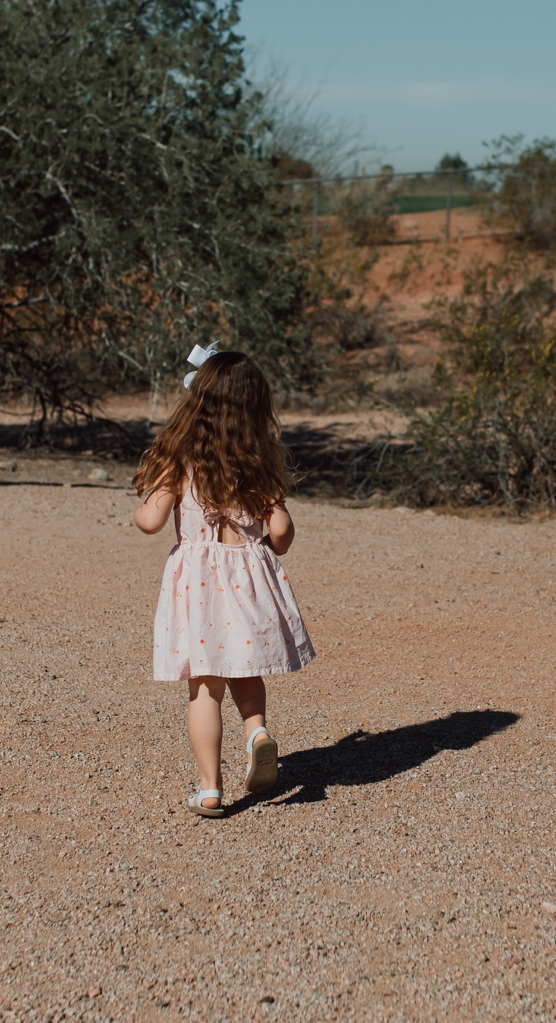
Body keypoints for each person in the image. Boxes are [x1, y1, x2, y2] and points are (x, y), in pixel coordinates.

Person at [133, 346, 315, 816]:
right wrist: (267, 548)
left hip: (198, 586)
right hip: (247, 578)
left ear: (198, 402)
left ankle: (210, 788)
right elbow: (281, 529)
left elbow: (151, 522)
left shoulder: (180, 458)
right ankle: (257, 732)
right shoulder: (258, 462)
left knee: (205, 686)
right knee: (245, 668)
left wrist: (148, 503)